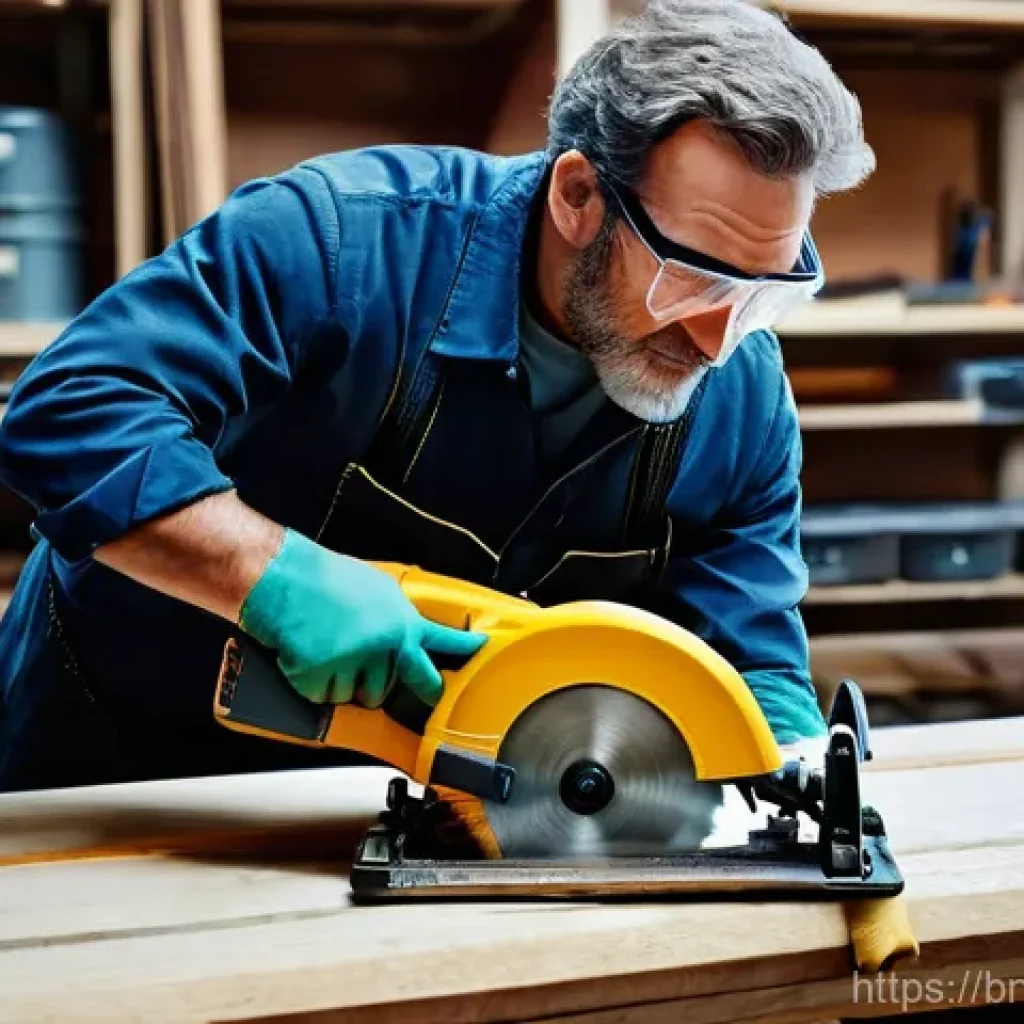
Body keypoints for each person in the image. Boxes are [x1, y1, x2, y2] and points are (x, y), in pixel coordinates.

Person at [0, 0, 874, 792]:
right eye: (692, 278)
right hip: (121, 758)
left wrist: (794, 782)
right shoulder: (342, 242)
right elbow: (70, 408)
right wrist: (274, 577)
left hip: (418, 799)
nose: (718, 339)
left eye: (764, 293)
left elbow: (751, 658)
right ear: (578, 196)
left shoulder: (742, 395)